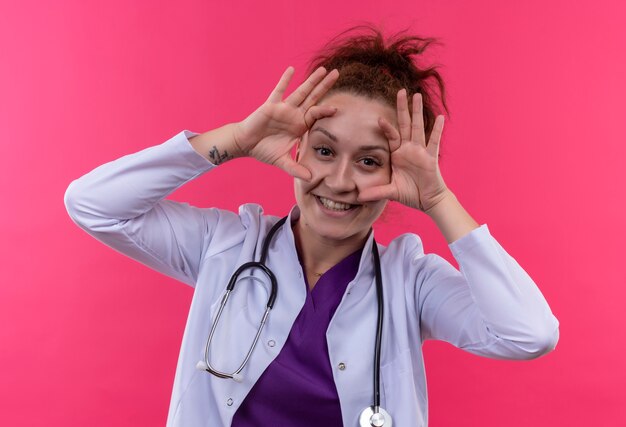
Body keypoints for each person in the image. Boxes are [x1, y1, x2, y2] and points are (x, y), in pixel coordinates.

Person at [64, 26, 559, 427]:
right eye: (324, 150)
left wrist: (438, 199)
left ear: (397, 176)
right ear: (296, 148)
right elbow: (93, 205)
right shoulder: (226, 247)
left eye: (369, 161)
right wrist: (235, 139)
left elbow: (528, 334)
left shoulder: (412, 282)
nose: (339, 181)